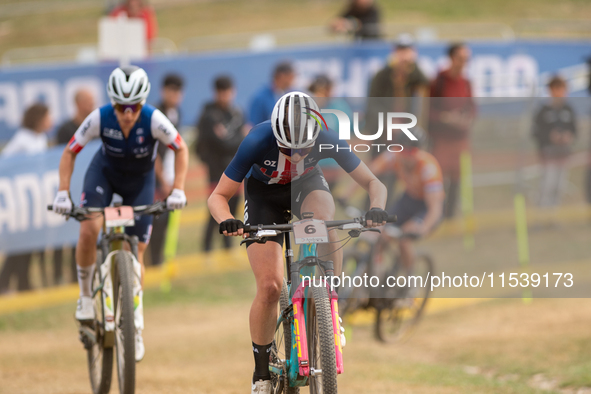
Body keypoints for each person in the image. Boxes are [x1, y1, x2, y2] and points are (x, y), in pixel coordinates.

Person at [207, 92, 388, 393]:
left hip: (307, 186)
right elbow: (218, 196)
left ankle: (331, 305)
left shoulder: (326, 137)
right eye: (286, 146)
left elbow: (373, 182)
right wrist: (228, 219)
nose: (295, 153)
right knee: (270, 286)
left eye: (303, 147)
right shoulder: (256, 140)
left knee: (325, 224)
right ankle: (262, 373)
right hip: (264, 196)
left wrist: (376, 208)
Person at [52, 65, 189, 362]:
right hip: (104, 176)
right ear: (113, 103)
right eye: (121, 107)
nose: (128, 114)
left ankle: (135, 324)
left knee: (138, 249)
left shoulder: (154, 118)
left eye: (134, 107)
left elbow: (181, 148)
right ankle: (86, 300)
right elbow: (70, 151)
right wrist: (63, 192)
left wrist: (178, 188)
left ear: (143, 102)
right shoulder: (99, 118)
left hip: (139, 184)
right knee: (89, 229)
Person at [368, 129, 444, 286]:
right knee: (380, 234)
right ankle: (376, 277)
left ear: (420, 151)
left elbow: (435, 208)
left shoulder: (428, 168)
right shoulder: (393, 156)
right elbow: (367, 174)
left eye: (412, 151)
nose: (407, 155)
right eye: (402, 149)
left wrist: (423, 227)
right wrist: (345, 195)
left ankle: (411, 284)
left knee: (404, 239)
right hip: (407, 199)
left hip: (426, 207)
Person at [0, 103, 53, 293]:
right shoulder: (22, 139)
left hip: (36, 200)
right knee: (19, 243)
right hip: (21, 201)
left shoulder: (41, 138)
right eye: (47, 117)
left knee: (31, 243)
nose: (50, 121)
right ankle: (5, 282)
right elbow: (6, 161)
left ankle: (24, 282)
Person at [196, 75, 245, 252]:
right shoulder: (209, 115)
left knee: (234, 207)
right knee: (214, 208)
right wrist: (237, 139)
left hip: (237, 168)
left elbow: (242, 140)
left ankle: (228, 247)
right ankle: (207, 248)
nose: (225, 95)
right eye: (221, 92)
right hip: (216, 170)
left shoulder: (237, 112)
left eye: (228, 91)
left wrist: (235, 139)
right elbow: (221, 142)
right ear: (216, 93)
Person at [428, 43, 476, 219]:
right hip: (441, 139)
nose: (464, 63)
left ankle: (450, 215)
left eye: (467, 59)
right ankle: (435, 214)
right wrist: (445, 118)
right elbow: (428, 111)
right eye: (461, 59)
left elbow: (472, 107)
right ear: (452, 59)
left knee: (457, 178)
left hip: (460, 138)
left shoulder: (466, 83)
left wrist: (466, 119)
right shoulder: (438, 82)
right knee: (439, 178)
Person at [149, 73, 184, 266]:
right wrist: (162, 178)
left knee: (166, 221)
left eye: (178, 91)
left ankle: (160, 260)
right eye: (171, 90)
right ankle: (153, 261)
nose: (175, 95)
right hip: (154, 177)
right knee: (155, 220)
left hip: (169, 175)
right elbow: (152, 151)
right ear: (163, 91)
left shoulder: (177, 113)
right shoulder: (156, 115)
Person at [532, 76, 577, 208]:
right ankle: (542, 216)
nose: (559, 92)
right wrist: (550, 136)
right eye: (556, 89)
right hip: (549, 153)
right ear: (550, 90)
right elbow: (536, 131)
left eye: (562, 89)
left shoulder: (568, 110)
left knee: (559, 186)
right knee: (547, 185)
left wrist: (569, 136)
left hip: (563, 153)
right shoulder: (544, 111)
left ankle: (553, 218)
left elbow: (574, 129)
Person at [248, 62, 295, 126]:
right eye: (291, 76)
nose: (293, 79)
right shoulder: (260, 98)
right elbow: (253, 125)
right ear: (282, 76)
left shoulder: (290, 95)